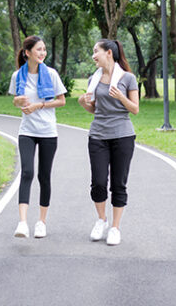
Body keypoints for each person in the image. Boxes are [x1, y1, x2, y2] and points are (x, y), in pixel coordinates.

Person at [77, 39, 139, 246]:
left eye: (96, 51)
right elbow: (95, 110)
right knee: (98, 182)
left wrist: (121, 97)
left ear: (109, 53)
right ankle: (101, 220)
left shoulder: (128, 78)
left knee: (118, 184)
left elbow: (135, 109)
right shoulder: (93, 79)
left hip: (122, 136)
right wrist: (82, 103)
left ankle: (115, 227)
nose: (93, 55)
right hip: (98, 136)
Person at [9, 35, 67, 238]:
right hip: (26, 131)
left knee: (44, 176)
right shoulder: (18, 76)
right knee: (26, 173)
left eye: (44, 49)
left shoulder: (51, 74)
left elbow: (61, 101)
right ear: (27, 53)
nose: (42, 53)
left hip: (48, 132)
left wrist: (39, 105)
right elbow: (15, 101)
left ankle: (41, 221)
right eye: (38, 49)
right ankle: (23, 223)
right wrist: (19, 102)